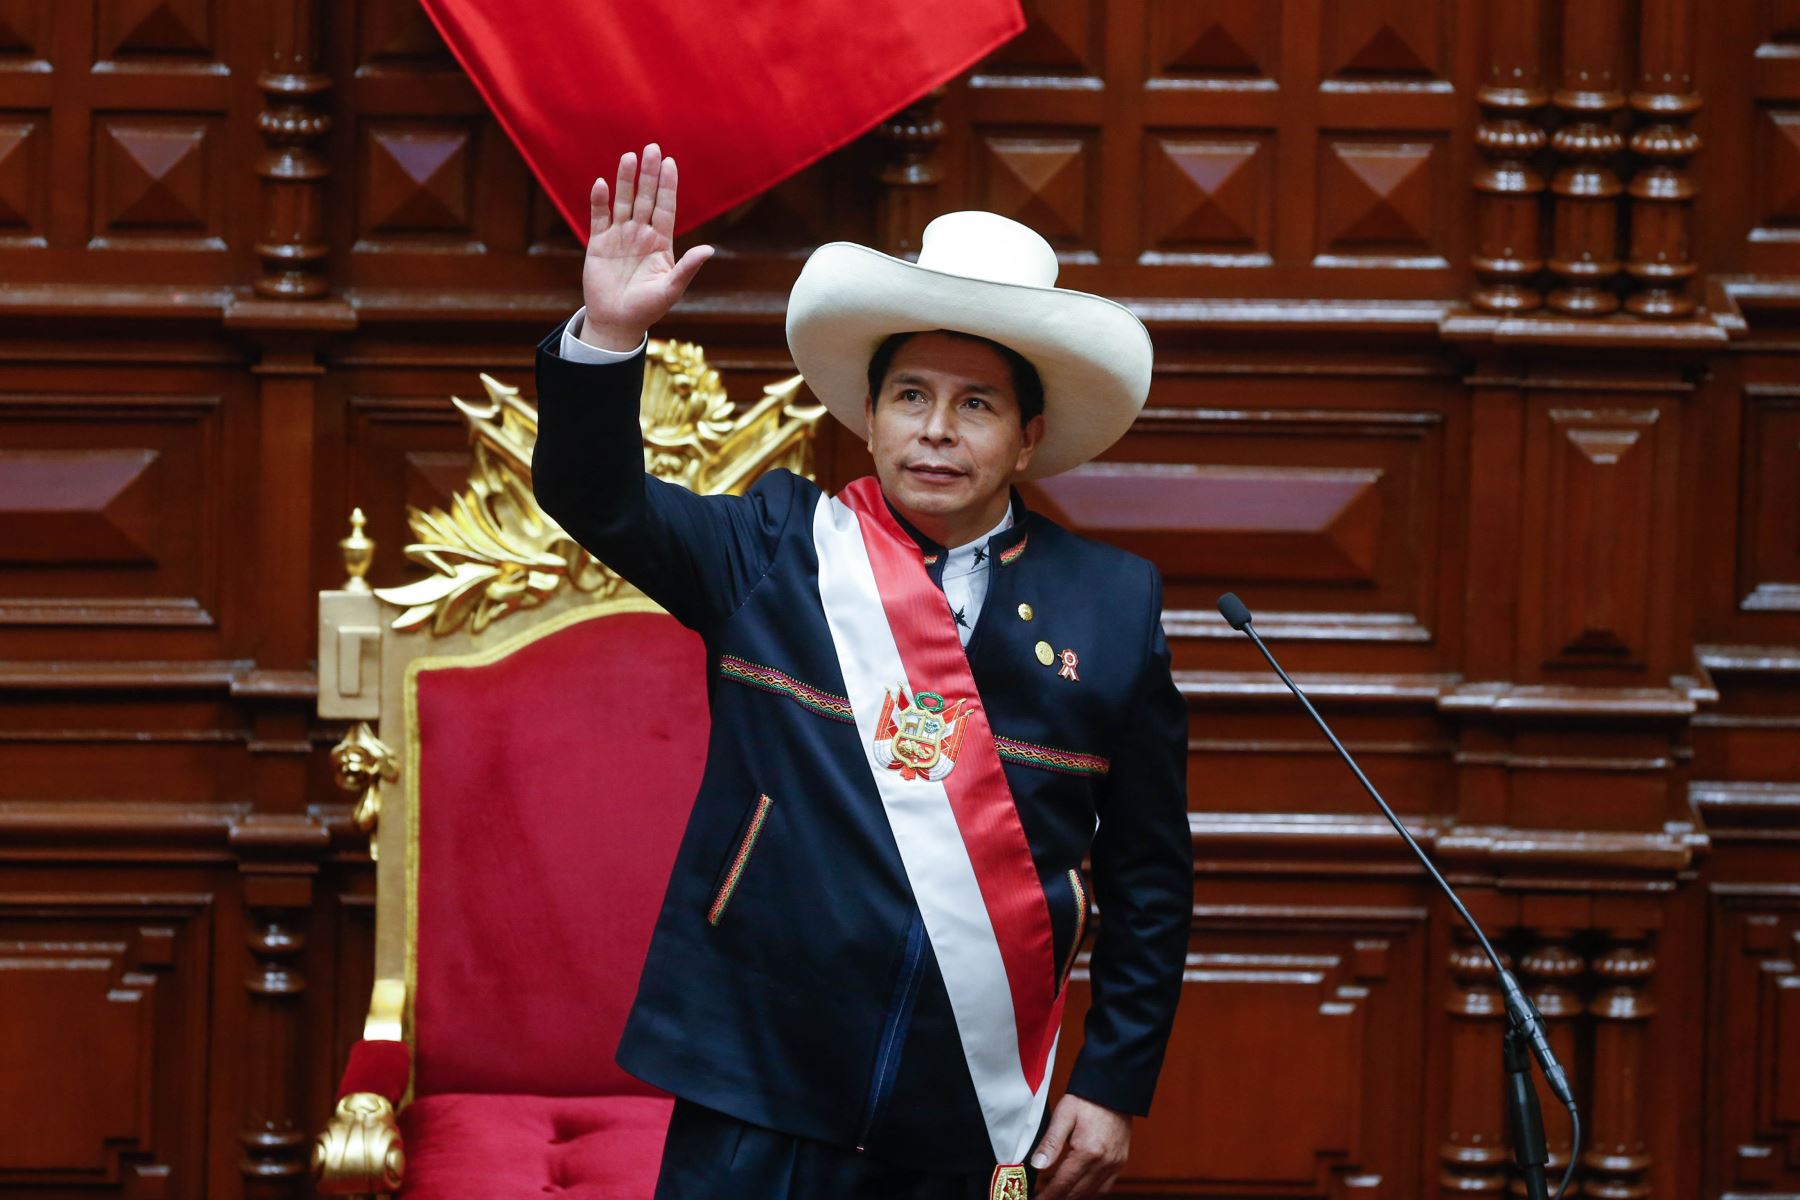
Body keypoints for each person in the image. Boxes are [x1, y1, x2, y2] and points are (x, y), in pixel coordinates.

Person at [531, 144, 1190, 1200]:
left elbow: (1150, 878)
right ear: (869, 418)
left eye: (976, 405)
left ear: (1027, 437)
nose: (936, 430)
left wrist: (1113, 1082)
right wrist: (611, 333)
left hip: (967, 1106)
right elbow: (593, 497)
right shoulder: (775, 550)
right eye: (911, 396)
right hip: (751, 1078)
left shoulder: (1112, 607)